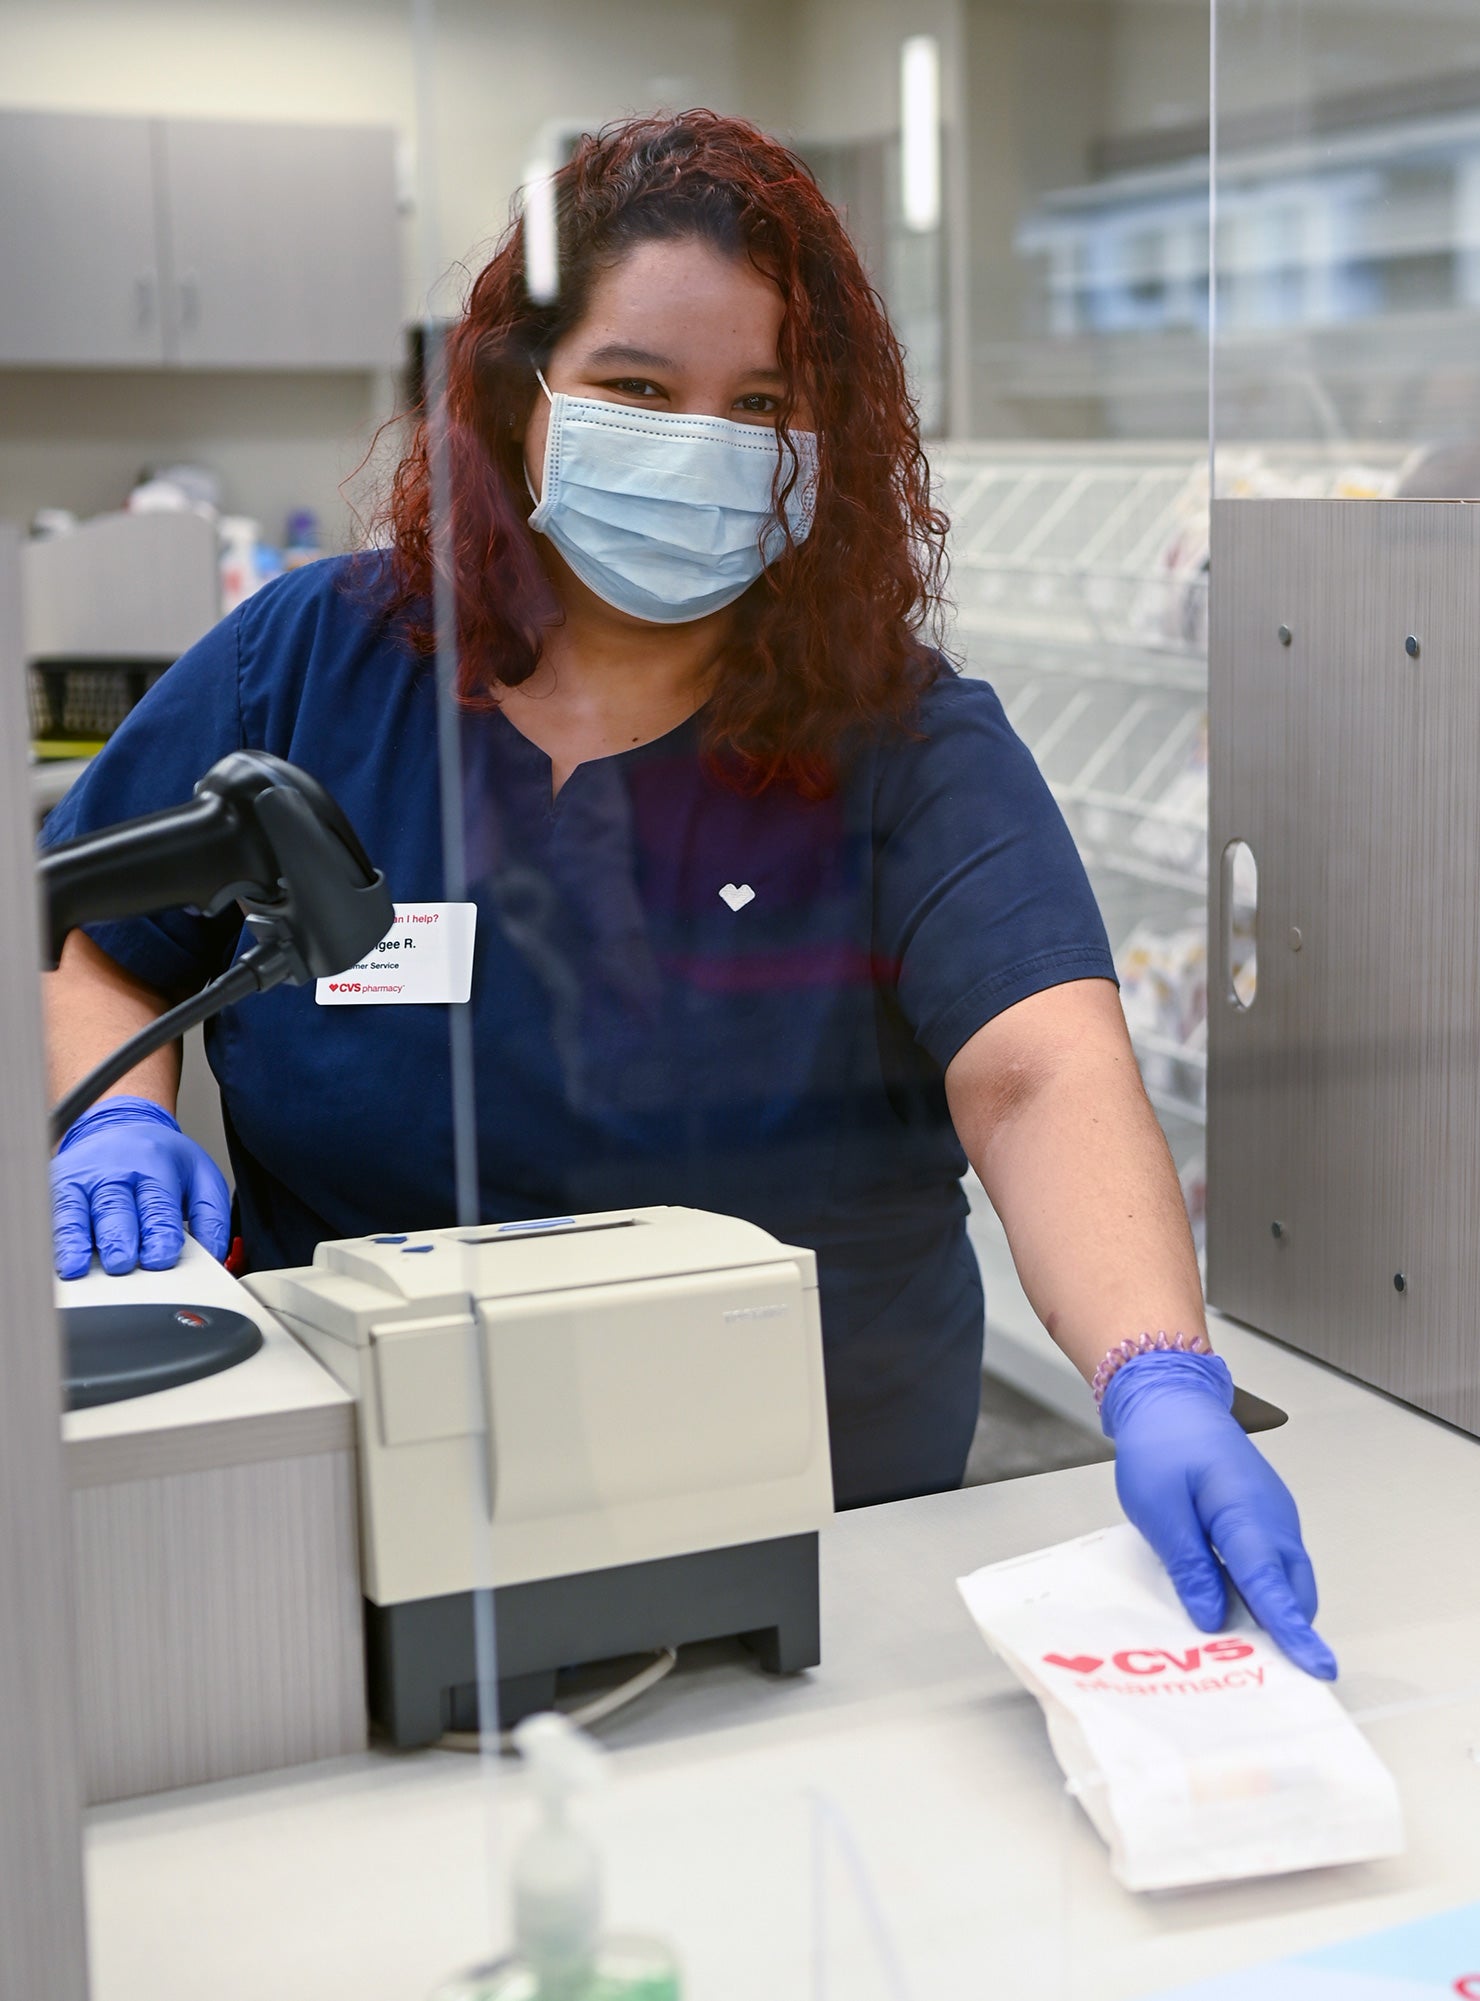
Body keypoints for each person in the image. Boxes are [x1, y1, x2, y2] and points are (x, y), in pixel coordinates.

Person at [40, 112, 1336, 1677]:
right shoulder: (314, 657)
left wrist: (1157, 1375)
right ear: (522, 395)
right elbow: (99, 936)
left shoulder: (900, 737)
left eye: (762, 406)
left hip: (818, 1533)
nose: (699, 444)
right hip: (374, 1513)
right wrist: (111, 1112)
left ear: (823, 444)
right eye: (639, 390)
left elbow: (1038, 1066)